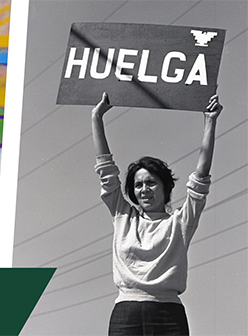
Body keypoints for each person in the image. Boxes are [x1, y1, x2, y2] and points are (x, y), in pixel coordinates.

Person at [91, 92, 222, 335]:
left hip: (168, 314)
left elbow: (201, 178)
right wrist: (96, 117)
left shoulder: (181, 222)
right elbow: (106, 171)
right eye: (138, 185)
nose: (144, 190)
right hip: (125, 314)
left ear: (165, 187)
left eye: (151, 183)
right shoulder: (123, 216)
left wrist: (210, 120)